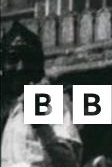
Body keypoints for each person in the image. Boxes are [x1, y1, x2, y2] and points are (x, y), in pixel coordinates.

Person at [0, 22, 82, 167]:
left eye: (27, 59)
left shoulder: (46, 99)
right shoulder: (8, 106)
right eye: (13, 59)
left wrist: (41, 125)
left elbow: (69, 162)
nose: (20, 67)